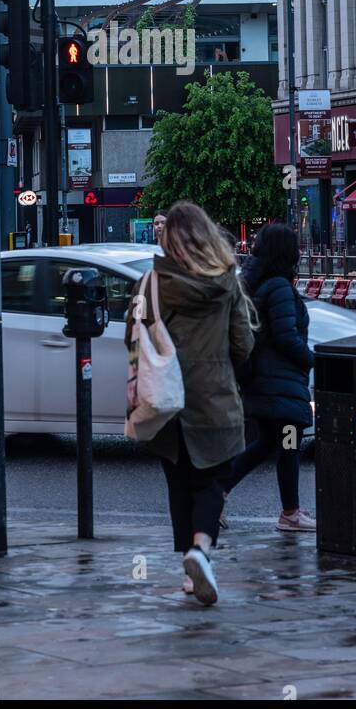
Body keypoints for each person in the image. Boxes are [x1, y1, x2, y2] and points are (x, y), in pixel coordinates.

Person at [125, 201, 254, 606]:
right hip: (215, 398)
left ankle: (188, 569)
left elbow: (133, 337)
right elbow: (243, 345)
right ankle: (201, 549)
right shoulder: (227, 281)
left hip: (165, 400)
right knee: (212, 480)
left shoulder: (149, 283)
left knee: (178, 483)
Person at [224, 221, 316, 533]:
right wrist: (311, 360)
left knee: (267, 444)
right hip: (279, 380)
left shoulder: (259, 283)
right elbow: (285, 336)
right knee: (288, 444)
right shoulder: (278, 286)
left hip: (265, 379)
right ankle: (290, 513)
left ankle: (216, 493)